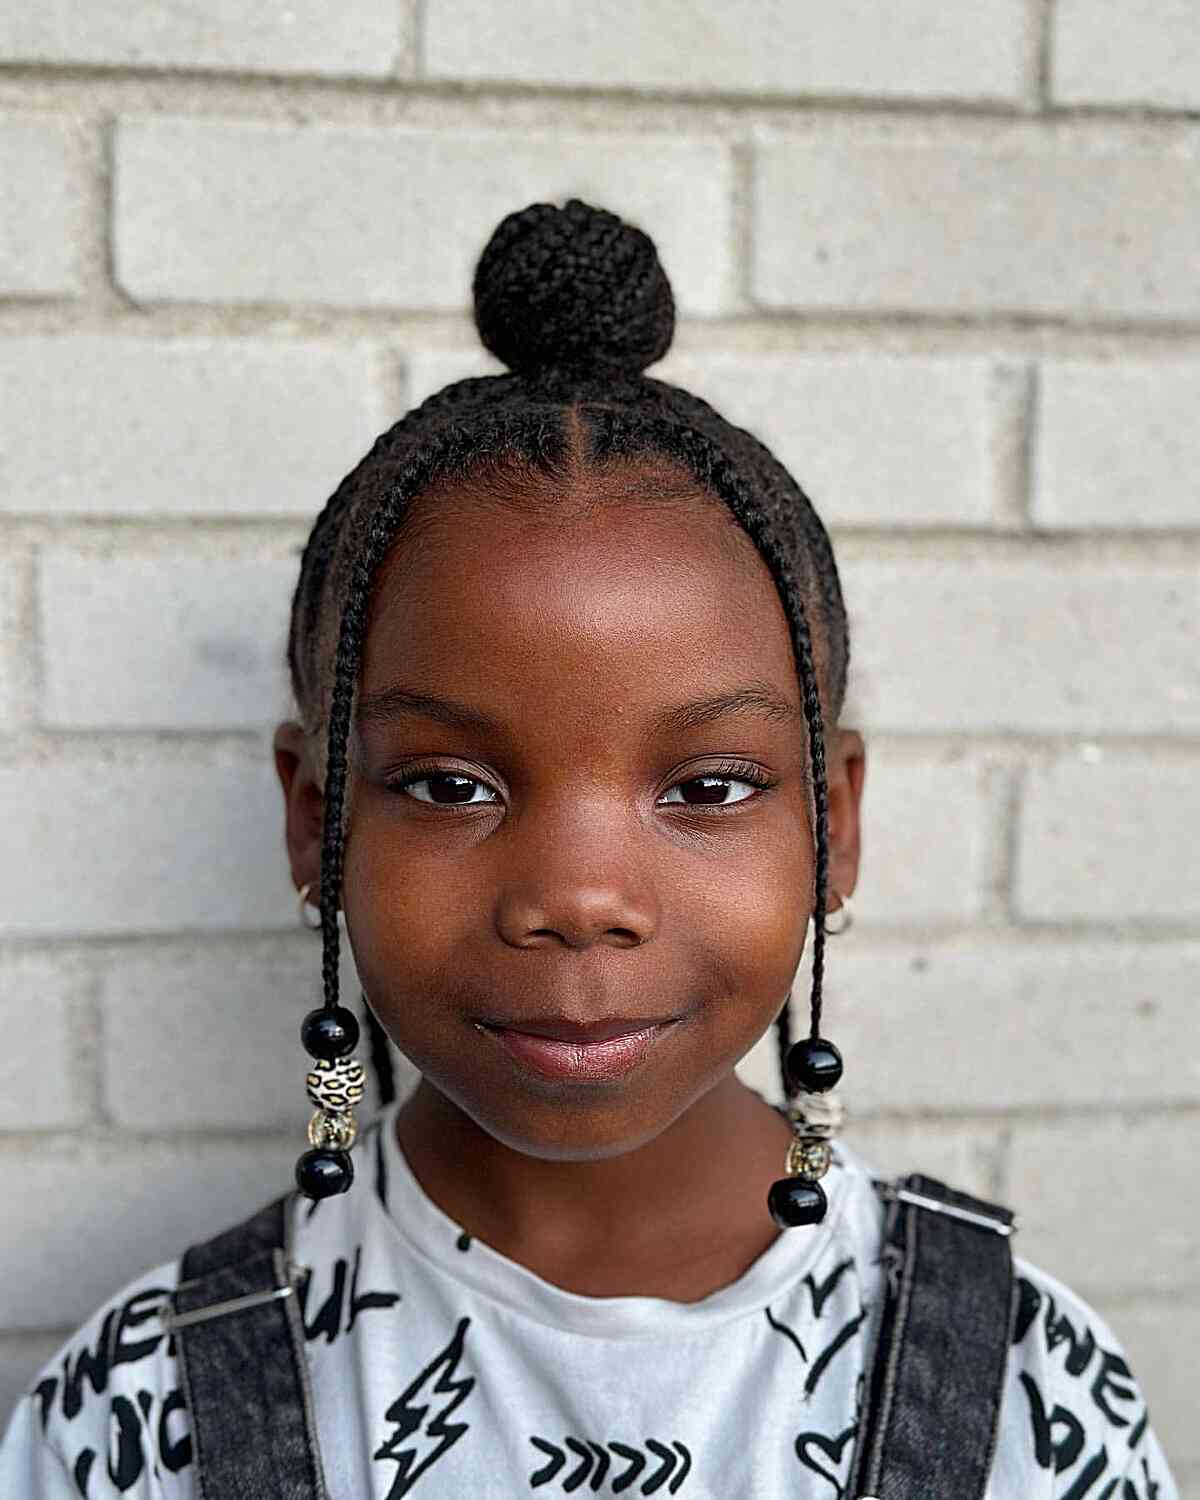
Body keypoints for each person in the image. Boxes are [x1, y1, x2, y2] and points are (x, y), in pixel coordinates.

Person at [0, 199, 1178, 1499]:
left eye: (708, 786)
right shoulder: (145, 1402)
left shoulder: (1016, 1381)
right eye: (450, 785)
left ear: (834, 821)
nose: (576, 899)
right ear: (316, 820)